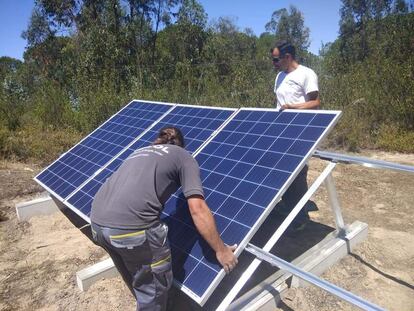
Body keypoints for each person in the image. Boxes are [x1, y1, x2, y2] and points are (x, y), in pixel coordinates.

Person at [90, 126, 237, 311]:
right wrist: (221, 249)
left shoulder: (139, 151)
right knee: (153, 289)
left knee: (138, 281)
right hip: (130, 231)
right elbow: (197, 208)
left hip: (97, 224)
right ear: (181, 145)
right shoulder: (184, 157)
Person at [270, 41, 320, 231]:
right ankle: (287, 206)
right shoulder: (279, 76)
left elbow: (316, 102)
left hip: (299, 130)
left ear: (287, 57)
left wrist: (293, 107)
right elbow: (279, 103)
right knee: (282, 171)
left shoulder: (307, 74)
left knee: (298, 173)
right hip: (281, 131)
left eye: (276, 59)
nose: (274, 63)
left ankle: (300, 217)